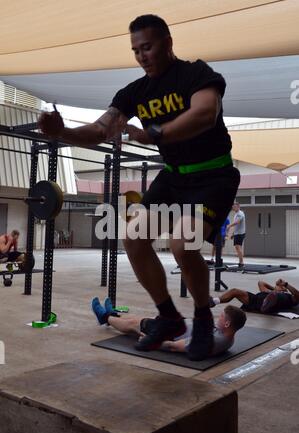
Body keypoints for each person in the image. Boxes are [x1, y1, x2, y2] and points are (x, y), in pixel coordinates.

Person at [38, 14, 240, 360]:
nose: (142, 55)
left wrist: (155, 134)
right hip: (174, 176)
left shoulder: (197, 74)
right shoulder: (135, 92)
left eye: (147, 47)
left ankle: (204, 319)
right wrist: (62, 133)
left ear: (167, 43)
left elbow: (205, 112)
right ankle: (169, 316)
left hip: (212, 175)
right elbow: (102, 130)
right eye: (135, 50)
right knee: (133, 235)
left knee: (183, 244)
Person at [91, 297, 247, 357]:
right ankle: (113, 315)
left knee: (133, 324)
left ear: (227, 323)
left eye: (221, 317)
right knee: (140, 319)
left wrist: (153, 341)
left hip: (169, 333)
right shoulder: (228, 334)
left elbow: (174, 347)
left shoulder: (212, 341)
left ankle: (105, 317)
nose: (217, 318)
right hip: (177, 325)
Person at [209, 278, 299, 314]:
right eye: (278, 286)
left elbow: (297, 296)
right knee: (234, 291)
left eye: (280, 286)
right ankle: (213, 301)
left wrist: (286, 285)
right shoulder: (267, 291)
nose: (279, 286)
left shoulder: (288, 297)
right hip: (256, 300)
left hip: (275, 301)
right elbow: (261, 282)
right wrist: (274, 289)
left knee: (273, 297)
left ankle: (267, 306)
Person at [226, 202, 245, 267]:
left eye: (234, 207)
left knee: (238, 247)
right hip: (237, 233)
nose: (233, 208)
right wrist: (233, 234)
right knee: (238, 247)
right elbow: (237, 226)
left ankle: (241, 262)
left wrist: (229, 226)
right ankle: (240, 261)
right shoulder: (236, 214)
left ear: (238, 206)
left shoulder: (240, 213)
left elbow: (237, 222)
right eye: (233, 207)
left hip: (240, 233)